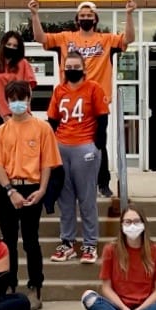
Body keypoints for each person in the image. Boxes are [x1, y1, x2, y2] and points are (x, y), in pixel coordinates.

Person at [30, 0, 135, 197]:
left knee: (98, 142)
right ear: (77, 20)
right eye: (82, 16)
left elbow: (128, 39)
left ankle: (103, 183)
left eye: (89, 16)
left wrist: (129, 14)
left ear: (95, 19)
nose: (86, 18)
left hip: (96, 99)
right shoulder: (65, 37)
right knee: (67, 143)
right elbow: (41, 38)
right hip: (69, 98)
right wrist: (35, 15)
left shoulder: (106, 39)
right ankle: (66, 181)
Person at [0, 81, 60, 310]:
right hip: (8, 189)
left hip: (32, 189)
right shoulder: (0, 131)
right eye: (13, 99)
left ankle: (35, 288)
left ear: (29, 99)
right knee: (8, 242)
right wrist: (10, 191)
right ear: (7, 102)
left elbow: (48, 162)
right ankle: (9, 285)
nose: (17, 103)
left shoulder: (42, 128)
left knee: (31, 240)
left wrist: (42, 190)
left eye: (22, 98)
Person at [48, 51, 109, 265]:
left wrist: (97, 146)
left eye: (76, 66)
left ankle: (90, 243)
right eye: (68, 66)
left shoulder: (93, 88)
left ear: (84, 68)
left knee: (86, 197)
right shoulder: (59, 90)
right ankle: (67, 242)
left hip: (84, 147)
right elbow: (53, 120)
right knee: (64, 200)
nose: (72, 70)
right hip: (62, 146)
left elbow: (102, 119)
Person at [0, 31, 37, 126]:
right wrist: (4, 116)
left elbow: (28, 90)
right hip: (1, 116)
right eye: (9, 44)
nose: (11, 47)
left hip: (22, 114)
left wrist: (24, 111)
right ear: (3, 45)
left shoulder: (23, 64)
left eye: (15, 46)